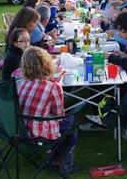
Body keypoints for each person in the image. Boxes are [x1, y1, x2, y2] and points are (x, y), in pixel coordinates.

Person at [18, 46, 82, 175]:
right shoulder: (52, 86)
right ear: (47, 63)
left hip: (21, 129)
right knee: (71, 125)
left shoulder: (23, 82)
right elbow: (59, 116)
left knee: (67, 122)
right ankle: (66, 166)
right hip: (39, 133)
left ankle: (56, 161)